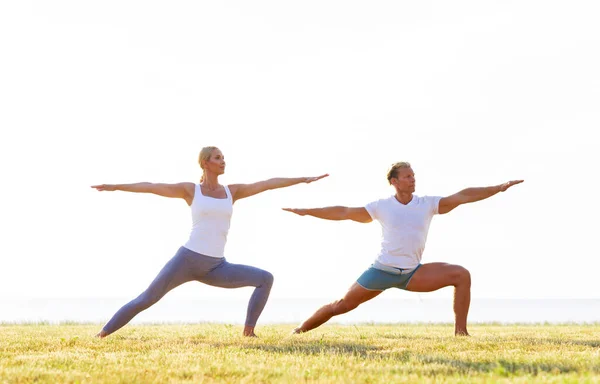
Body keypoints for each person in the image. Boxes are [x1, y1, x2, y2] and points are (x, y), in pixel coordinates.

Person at [92, 146, 328, 338]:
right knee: (146, 299)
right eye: (218, 158)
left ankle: (249, 332)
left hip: (216, 267)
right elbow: (152, 187)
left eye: (224, 157)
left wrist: (303, 180)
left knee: (265, 279)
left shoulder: (231, 192)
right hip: (186, 260)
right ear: (205, 163)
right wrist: (116, 187)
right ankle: (102, 335)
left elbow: (267, 183)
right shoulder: (190, 190)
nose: (223, 161)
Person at [283, 161, 523, 336]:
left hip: (412, 274)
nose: (413, 179)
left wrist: (498, 187)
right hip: (381, 271)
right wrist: (308, 212)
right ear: (394, 182)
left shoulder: (427, 204)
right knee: (342, 306)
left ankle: (461, 333)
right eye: (407, 176)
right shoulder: (381, 206)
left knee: (461, 275)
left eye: (414, 175)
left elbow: (463, 196)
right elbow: (344, 212)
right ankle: (300, 330)